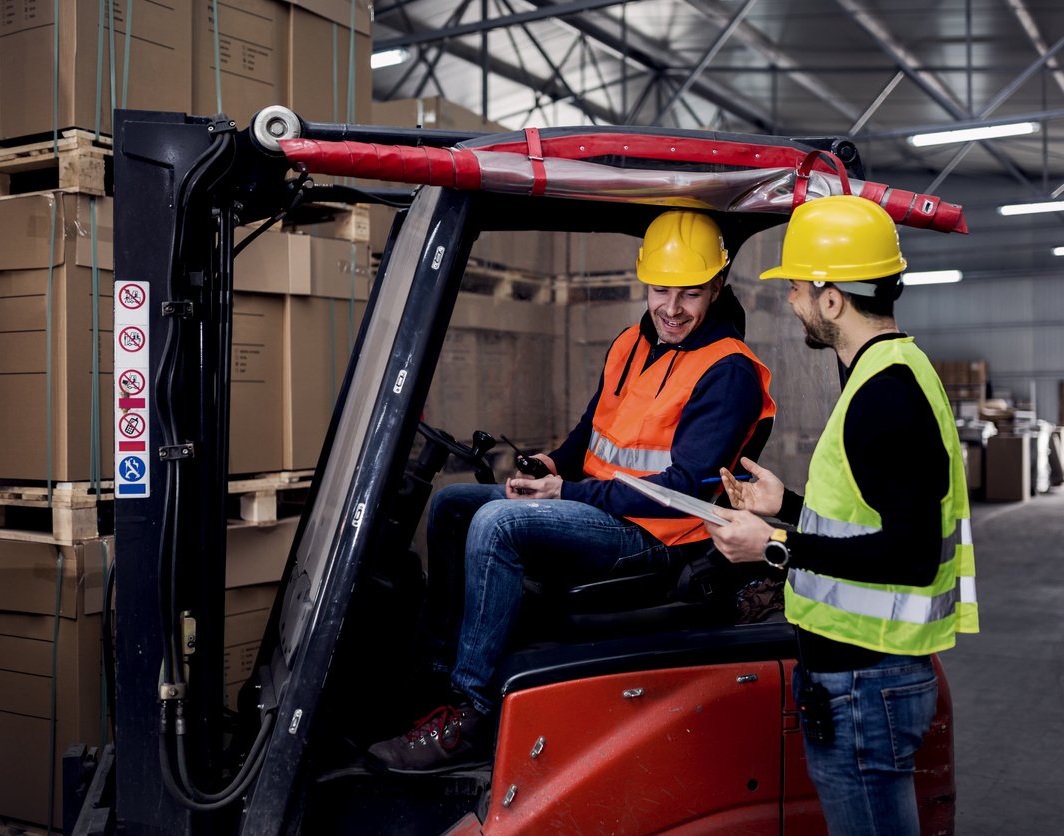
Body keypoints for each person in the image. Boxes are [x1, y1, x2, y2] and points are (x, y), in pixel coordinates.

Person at [368, 209, 778, 774]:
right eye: (661, 289)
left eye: (690, 293)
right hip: (604, 509)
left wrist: (568, 493)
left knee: (497, 524)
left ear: (718, 286)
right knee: (452, 505)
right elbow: (590, 433)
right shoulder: (632, 342)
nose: (672, 307)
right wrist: (548, 466)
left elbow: (683, 488)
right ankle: (435, 676)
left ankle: (471, 710)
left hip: (660, 536)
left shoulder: (727, 371)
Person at [705, 195, 979, 835]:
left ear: (833, 300)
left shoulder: (886, 394)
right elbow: (872, 520)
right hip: (860, 679)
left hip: (866, 683)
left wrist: (774, 544)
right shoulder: (885, 374)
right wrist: (787, 507)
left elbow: (908, 557)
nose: (792, 301)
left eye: (798, 288)